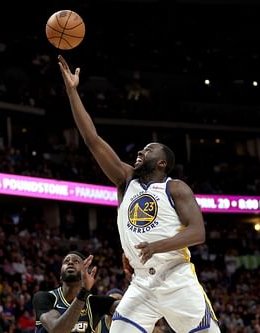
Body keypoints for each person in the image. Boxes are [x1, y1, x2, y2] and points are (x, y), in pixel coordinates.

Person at [58, 55, 220, 333]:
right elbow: (92, 140)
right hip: (142, 282)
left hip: (177, 278)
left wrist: (156, 246)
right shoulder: (125, 180)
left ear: (161, 163)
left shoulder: (175, 187)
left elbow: (197, 233)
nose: (140, 152)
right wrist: (72, 91)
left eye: (148, 150)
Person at [32, 251, 120, 333]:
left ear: (85, 273)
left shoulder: (94, 302)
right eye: (66, 261)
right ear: (60, 276)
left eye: (76, 261)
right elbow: (57, 330)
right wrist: (84, 292)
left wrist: (133, 280)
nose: (70, 262)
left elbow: (128, 308)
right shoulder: (44, 298)